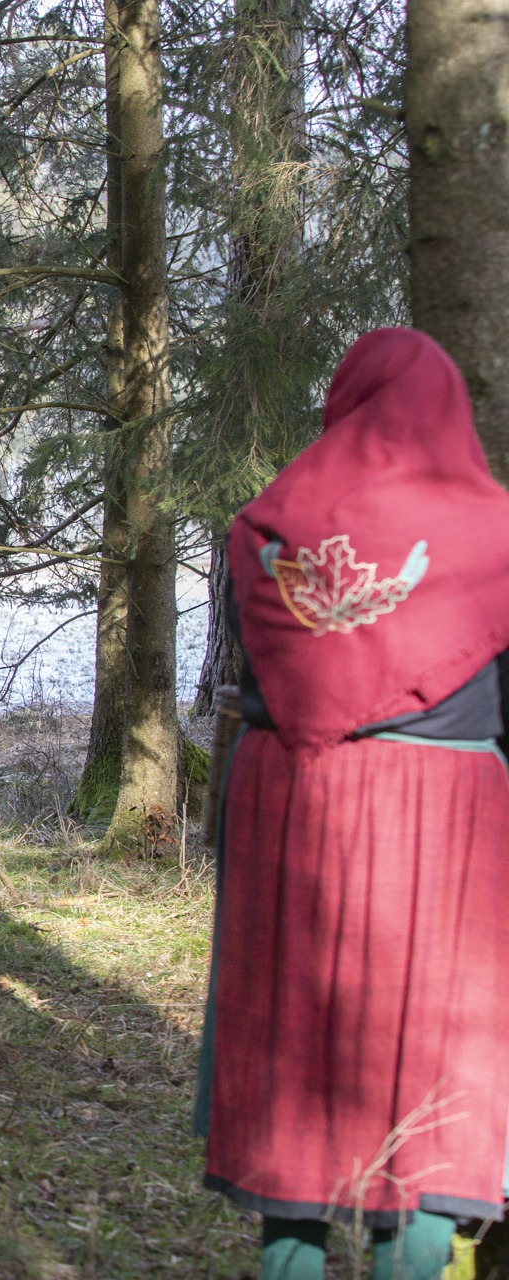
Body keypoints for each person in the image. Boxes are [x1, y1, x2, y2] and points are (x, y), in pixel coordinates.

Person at [198, 329, 509, 1280]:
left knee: (291, 1070)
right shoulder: (494, 533)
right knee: (429, 1074)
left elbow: (239, 681)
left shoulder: (266, 526)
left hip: (294, 810)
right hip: (445, 823)